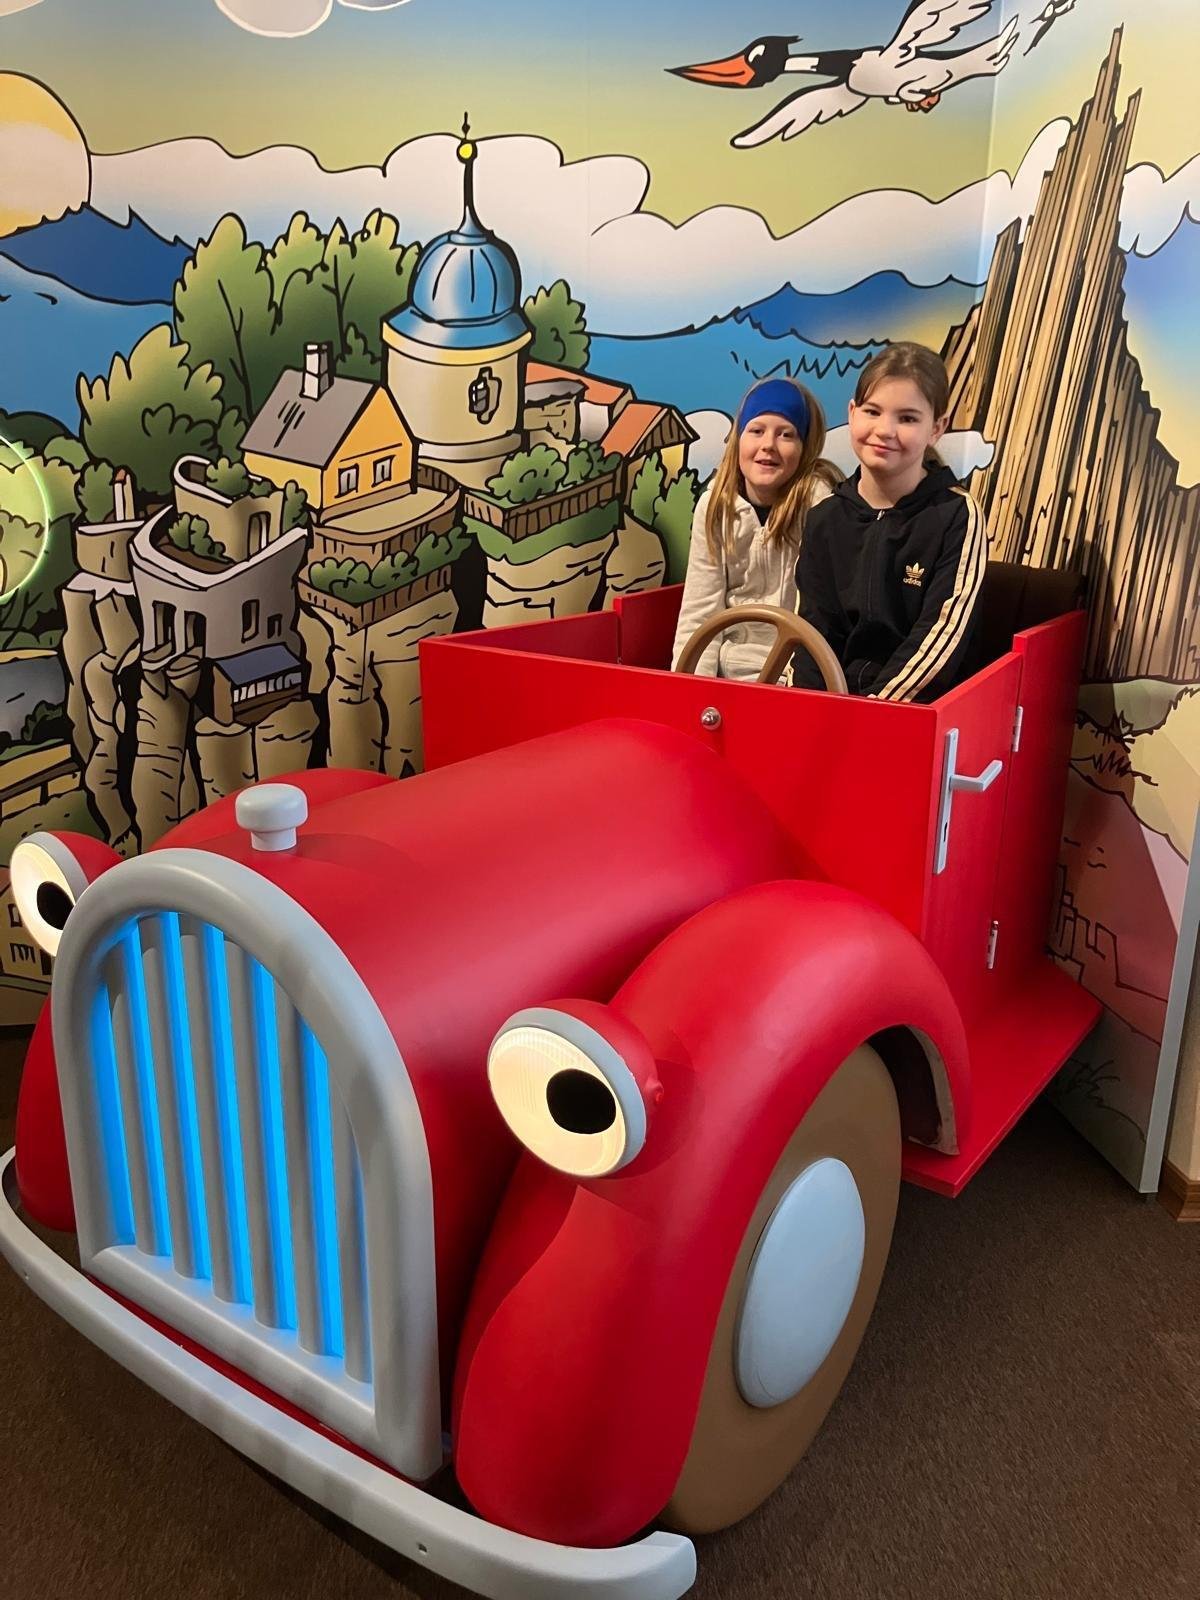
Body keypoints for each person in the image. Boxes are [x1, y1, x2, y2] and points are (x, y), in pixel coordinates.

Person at [792, 343, 987, 702]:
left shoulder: (957, 515)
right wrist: (810, 708)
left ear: (936, 428)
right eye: (872, 411)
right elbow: (810, 633)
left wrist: (874, 713)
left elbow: (940, 637)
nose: (885, 430)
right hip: (834, 707)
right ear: (852, 413)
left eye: (907, 418)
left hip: (915, 711)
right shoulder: (824, 518)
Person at [671, 377, 840, 681]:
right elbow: (700, 611)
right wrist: (692, 689)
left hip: (792, 673)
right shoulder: (715, 507)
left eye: (786, 434)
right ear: (739, 438)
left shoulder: (817, 506)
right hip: (728, 672)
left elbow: (820, 616)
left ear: (805, 447)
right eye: (757, 431)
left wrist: (799, 683)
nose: (768, 445)